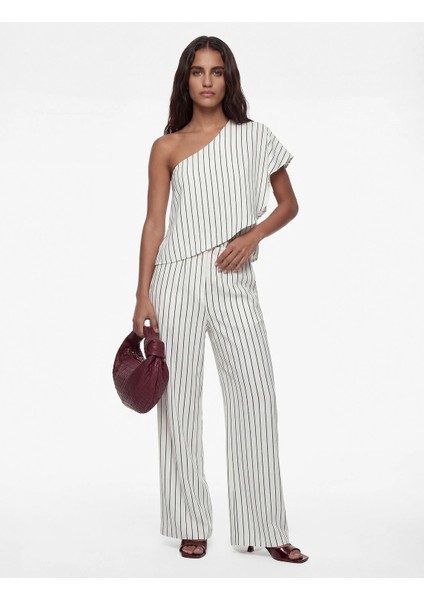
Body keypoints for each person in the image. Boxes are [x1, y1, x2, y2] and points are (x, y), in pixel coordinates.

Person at [132, 35, 309, 564]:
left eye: (216, 71)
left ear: (228, 77)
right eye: (197, 71)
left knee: (256, 396)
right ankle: (190, 522)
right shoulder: (166, 147)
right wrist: (142, 293)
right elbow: (155, 223)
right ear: (185, 80)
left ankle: (266, 524)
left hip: (233, 277)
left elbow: (288, 204)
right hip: (176, 280)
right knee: (180, 402)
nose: (207, 81)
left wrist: (253, 236)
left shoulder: (255, 136)